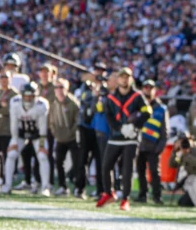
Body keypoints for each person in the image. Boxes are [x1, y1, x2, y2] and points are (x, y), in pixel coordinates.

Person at [96, 67, 150, 211]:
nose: (124, 80)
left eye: (127, 77)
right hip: (115, 137)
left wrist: (135, 126)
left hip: (131, 138)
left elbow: (147, 112)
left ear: (130, 79)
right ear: (117, 79)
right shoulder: (111, 97)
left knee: (127, 169)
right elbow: (108, 115)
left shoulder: (137, 97)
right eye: (122, 77)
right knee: (106, 165)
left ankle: (125, 199)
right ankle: (108, 192)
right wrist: (119, 129)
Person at [1, 82, 51, 196]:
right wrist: (14, 140)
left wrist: (42, 144)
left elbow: (43, 127)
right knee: (11, 154)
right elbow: (13, 124)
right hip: (20, 133)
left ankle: (45, 187)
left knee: (43, 156)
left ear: (35, 96)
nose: (28, 99)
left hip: (37, 133)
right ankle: (7, 185)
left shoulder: (42, 105)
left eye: (31, 96)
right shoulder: (15, 103)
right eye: (26, 96)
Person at [75, 64, 107, 198]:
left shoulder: (106, 88)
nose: (99, 73)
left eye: (102, 71)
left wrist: (100, 91)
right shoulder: (86, 87)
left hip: (100, 129)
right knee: (83, 159)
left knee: (100, 160)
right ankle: (80, 188)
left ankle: (100, 190)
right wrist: (94, 94)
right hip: (86, 128)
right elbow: (86, 106)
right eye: (97, 71)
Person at [135, 80, 169, 205]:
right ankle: (142, 195)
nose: (148, 90)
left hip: (153, 145)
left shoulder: (161, 108)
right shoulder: (138, 106)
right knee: (140, 171)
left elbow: (164, 130)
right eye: (146, 87)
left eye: (151, 87)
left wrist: (160, 146)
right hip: (139, 144)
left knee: (154, 172)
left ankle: (157, 196)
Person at [49, 79, 81, 197]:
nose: (59, 90)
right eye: (57, 87)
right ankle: (63, 186)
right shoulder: (54, 104)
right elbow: (51, 121)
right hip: (60, 138)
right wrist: (56, 133)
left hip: (73, 138)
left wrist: (70, 133)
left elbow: (77, 122)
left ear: (67, 89)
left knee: (78, 163)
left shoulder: (73, 103)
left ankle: (79, 188)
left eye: (62, 87)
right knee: (59, 163)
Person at [172, 132, 196, 207]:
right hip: (187, 179)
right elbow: (172, 164)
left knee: (189, 202)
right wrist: (175, 152)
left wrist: (187, 155)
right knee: (182, 202)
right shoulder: (180, 149)